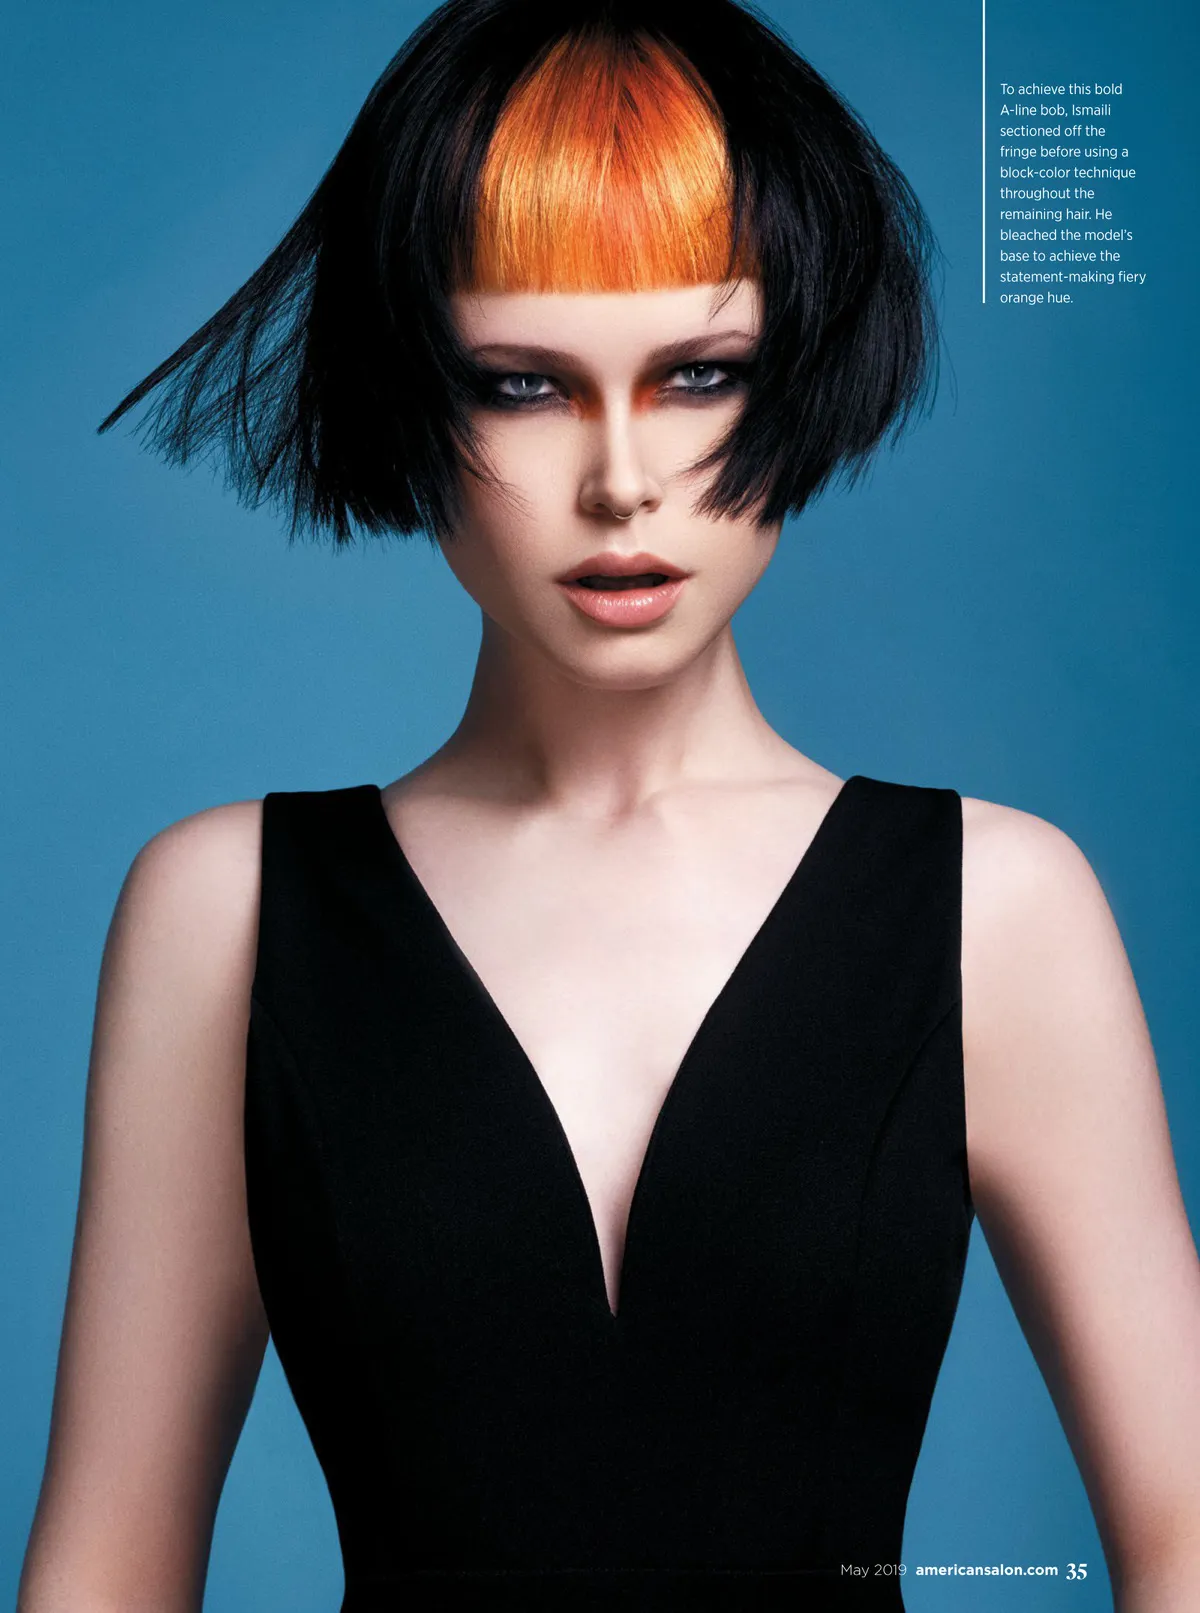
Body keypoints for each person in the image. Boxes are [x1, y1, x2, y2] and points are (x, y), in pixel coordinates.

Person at [17, 1, 1200, 1608]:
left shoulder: (997, 907)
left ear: (795, 379)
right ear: (411, 405)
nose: (622, 479)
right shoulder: (228, 914)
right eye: (522, 385)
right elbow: (107, 1567)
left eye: (702, 374)